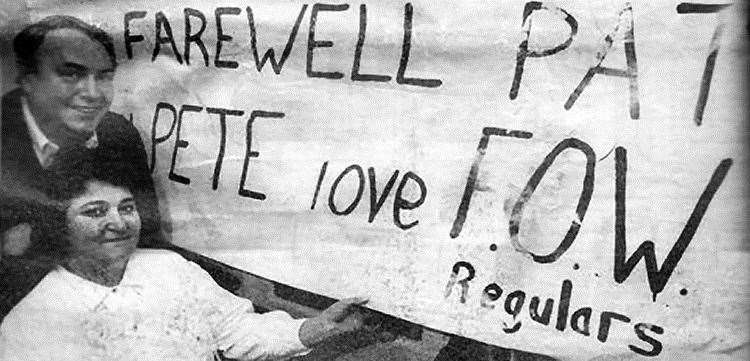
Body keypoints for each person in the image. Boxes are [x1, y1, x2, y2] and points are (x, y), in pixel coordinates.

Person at [0, 150, 369, 360]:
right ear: (58, 224)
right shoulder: (28, 326)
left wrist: (314, 329)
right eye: (95, 212)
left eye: (127, 208)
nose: (119, 222)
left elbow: (237, 331)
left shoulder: (169, 269)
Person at [1, 15, 163, 257]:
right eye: (71, 75)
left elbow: (147, 232)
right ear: (29, 81)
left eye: (103, 77)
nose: (93, 94)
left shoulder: (117, 133)